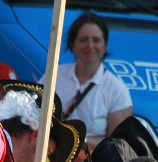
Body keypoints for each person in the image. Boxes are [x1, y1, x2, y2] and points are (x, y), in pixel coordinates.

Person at [47, 11, 133, 151]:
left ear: (105, 46)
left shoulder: (117, 90)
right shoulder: (53, 76)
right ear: (72, 44)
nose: (90, 46)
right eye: (83, 40)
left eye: (96, 40)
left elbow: (119, 144)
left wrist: (79, 140)